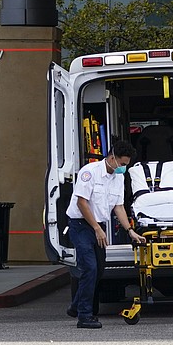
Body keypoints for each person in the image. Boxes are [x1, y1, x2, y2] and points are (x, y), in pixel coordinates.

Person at [66, 140, 146, 329]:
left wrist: (130, 231)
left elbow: (118, 206)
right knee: (90, 268)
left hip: (97, 225)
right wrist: (96, 228)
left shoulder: (118, 178)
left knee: (99, 269)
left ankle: (76, 306)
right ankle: (85, 316)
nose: (124, 169)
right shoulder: (90, 172)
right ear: (112, 158)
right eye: (123, 164)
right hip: (81, 225)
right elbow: (82, 203)